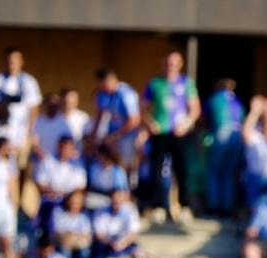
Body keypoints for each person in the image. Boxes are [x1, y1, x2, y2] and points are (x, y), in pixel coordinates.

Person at [142, 50, 201, 224]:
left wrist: (187, 124)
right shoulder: (155, 83)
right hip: (160, 132)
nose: (171, 67)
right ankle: (158, 207)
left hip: (179, 132)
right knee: (156, 170)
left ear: (180, 64)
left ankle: (184, 207)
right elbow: (143, 107)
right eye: (168, 63)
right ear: (163, 64)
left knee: (182, 170)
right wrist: (150, 123)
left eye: (174, 63)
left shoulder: (186, 83)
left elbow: (195, 109)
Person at [0, 47, 42, 171]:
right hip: (0, 130)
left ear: (21, 61)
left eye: (15, 61)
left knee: (19, 167)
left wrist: (30, 132)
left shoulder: (28, 81)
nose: (12, 64)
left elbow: (34, 108)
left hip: (20, 131)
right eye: (9, 61)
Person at [204, 79, 244, 217]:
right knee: (228, 174)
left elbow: (205, 117)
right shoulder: (237, 101)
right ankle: (226, 207)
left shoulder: (215, 98)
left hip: (221, 134)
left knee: (214, 172)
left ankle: (214, 206)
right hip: (236, 136)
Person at [90, 67, 141, 173]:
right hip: (111, 135)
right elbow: (99, 115)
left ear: (111, 80)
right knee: (110, 163)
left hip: (127, 135)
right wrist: (94, 136)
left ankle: (126, 187)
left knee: (125, 165)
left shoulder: (126, 93)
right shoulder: (102, 93)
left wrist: (116, 136)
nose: (101, 86)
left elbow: (134, 120)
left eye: (102, 83)